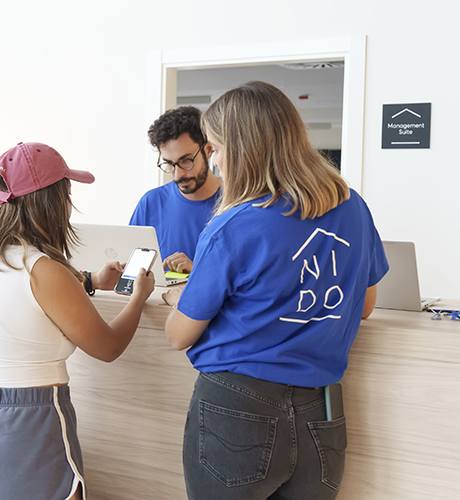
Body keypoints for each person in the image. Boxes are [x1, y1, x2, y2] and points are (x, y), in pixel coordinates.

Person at [162, 81, 388, 500]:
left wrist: (182, 297)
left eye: (215, 147)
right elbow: (365, 306)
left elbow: (178, 336)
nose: (215, 162)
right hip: (321, 410)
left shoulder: (234, 224)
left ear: (244, 147)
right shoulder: (353, 207)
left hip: (237, 408)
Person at [0, 142, 155, 500]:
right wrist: (137, 297)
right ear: (53, 201)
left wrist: (88, 280)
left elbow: (22, 301)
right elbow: (109, 347)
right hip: (21, 428)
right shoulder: (44, 270)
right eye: (67, 193)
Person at [129, 106, 221, 274]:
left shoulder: (236, 202)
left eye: (186, 161)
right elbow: (132, 272)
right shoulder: (150, 204)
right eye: (169, 164)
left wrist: (197, 272)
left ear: (208, 150)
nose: (178, 174)